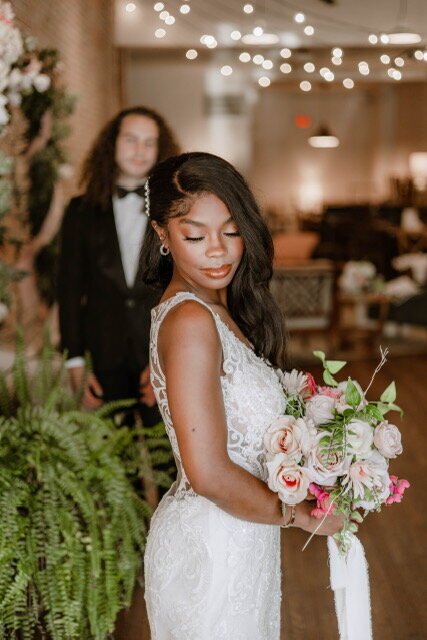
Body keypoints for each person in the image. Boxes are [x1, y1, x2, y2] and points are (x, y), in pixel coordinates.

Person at [140, 152, 344, 639]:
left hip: (241, 534)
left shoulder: (218, 309)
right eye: (194, 235)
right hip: (211, 547)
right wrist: (301, 515)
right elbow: (207, 472)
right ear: (162, 235)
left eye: (230, 231)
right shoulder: (190, 320)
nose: (217, 251)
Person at [58, 106, 179, 425]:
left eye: (149, 142)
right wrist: (73, 360)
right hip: (102, 352)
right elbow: (68, 288)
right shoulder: (79, 211)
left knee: (171, 456)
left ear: (160, 149)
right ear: (112, 144)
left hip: (158, 347)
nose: (140, 151)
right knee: (112, 461)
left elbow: (184, 285)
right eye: (130, 140)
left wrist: (165, 358)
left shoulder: (175, 211)